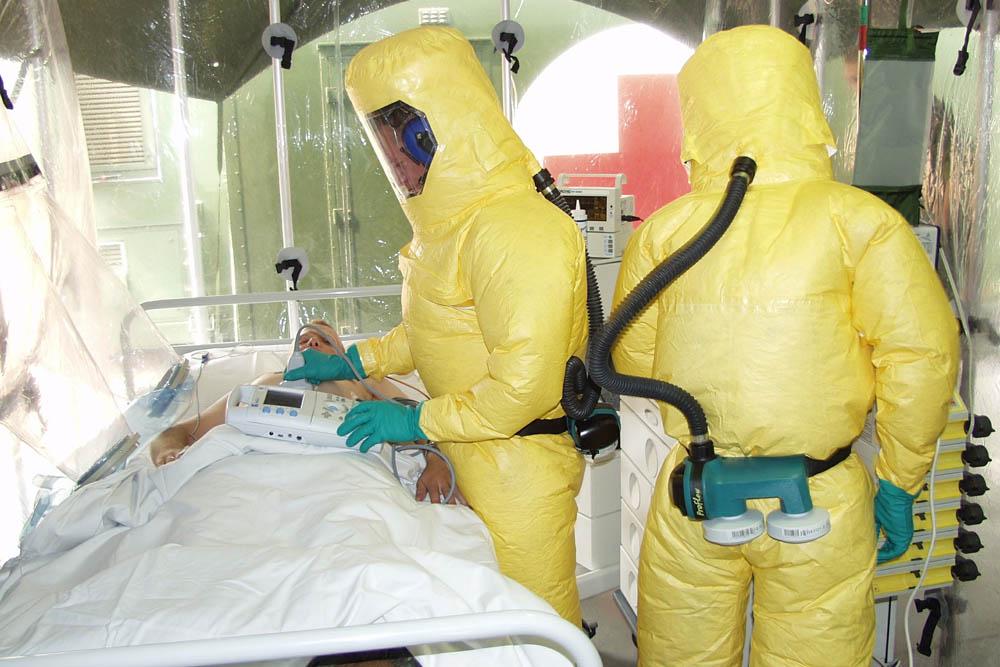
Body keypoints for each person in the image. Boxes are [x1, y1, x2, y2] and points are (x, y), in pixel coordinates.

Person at [611, 26, 958, 666]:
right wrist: (899, 482)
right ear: (804, 108)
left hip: (697, 490)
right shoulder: (862, 221)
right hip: (817, 500)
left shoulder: (665, 232)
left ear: (700, 120)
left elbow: (631, 360)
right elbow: (920, 360)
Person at [284, 27, 589, 625]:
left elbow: (523, 390)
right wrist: (355, 362)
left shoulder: (514, 229)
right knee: (483, 625)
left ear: (436, 132)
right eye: (382, 142)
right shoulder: (447, 229)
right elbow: (434, 331)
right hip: (467, 452)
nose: (395, 162)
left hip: (517, 471)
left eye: (402, 140)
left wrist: (414, 420)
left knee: (535, 629)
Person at [149, 321, 464, 506]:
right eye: (304, 340)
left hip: (346, 471)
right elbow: (177, 433)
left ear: (343, 355)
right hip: (258, 473)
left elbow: (417, 419)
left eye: (325, 341)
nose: (313, 340)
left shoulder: (364, 381)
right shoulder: (263, 383)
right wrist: (169, 453)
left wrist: (435, 459)